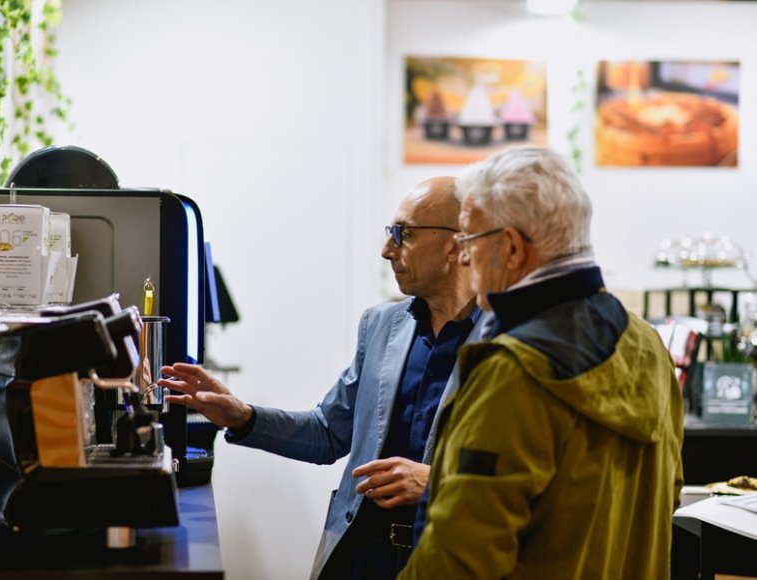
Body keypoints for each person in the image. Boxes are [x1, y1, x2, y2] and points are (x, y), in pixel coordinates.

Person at [159, 176, 486, 580]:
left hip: (450, 560)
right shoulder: (382, 326)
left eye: (404, 235)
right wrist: (242, 416)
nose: (387, 251)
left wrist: (437, 483)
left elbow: (535, 475)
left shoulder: (507, 343)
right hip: (359, 555)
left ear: (456, 243)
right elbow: (329, 432)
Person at [400, 147, 684, 579]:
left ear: (512, 248)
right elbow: (668, 497)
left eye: (468, 240)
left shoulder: (511, 371)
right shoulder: (646, 343)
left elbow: (459, 557)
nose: (460, 257)